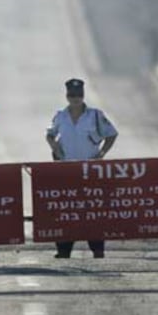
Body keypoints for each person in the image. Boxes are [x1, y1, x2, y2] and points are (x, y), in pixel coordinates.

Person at [46, 78, 118, 259]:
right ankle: (63, 249)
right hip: (66, 171)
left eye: (78, 95)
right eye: (72, 95)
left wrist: (102, 153)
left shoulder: (95, 115)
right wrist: (54, 146)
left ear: (83, 96)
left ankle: (97, 248)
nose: (75, 98)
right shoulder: (60, 116)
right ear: (67, 96)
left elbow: (111, 134)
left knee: (92, 210)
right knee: (66, 210)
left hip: (90, 171)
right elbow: (50, 134)